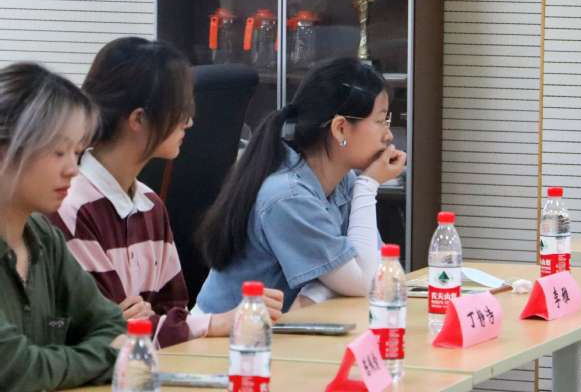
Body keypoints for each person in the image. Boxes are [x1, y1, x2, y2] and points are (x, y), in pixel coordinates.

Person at [49, 38, 283, 349]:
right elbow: (108, 331)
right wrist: (217, 322)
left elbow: (173, 314)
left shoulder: (150, 205)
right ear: (138, 119)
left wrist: (146, 322)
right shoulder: (71, 207)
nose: (189, 122)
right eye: (180, 110)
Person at [195, 57, 406, 314]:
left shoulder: (342, 179)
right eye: (381, 121)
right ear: (340, 128)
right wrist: (368, 185)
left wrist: (314, 294)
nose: (388, 135)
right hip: (228, 334)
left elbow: (380, 268)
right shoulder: (288, 196)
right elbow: (363, 281)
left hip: (286, 326)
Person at [0, 62, 127, 391]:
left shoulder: (44, 237)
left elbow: (113, 325)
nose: (73, 169)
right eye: (59, 152)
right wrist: (108, 356)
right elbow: (17, 370)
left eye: (77, 152)